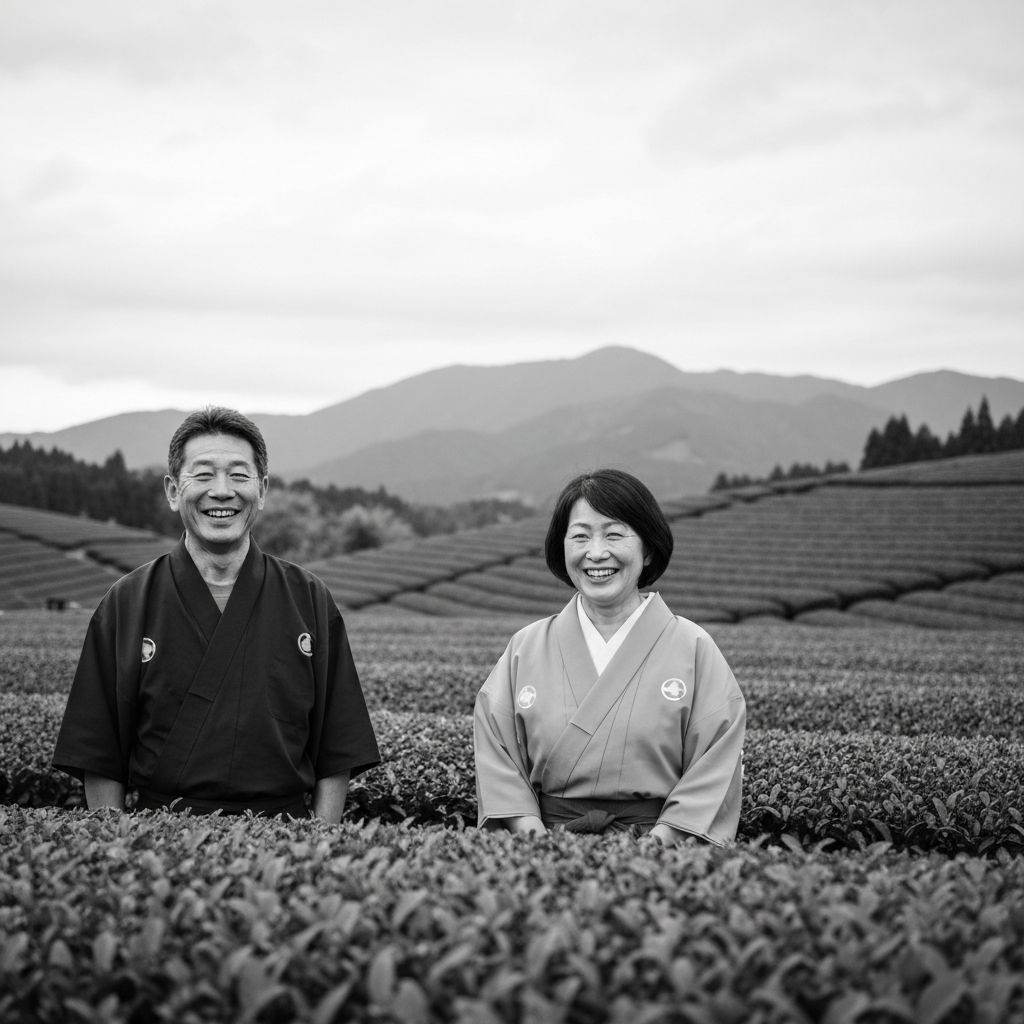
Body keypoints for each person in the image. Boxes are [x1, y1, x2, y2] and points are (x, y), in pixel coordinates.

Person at [52, 406, 379, 821]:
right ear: (173, 490)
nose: (222, 491)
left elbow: (338, 746)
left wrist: (318, 840)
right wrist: (119, 844)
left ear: (262, 489)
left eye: (239, 476)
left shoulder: (309, 598)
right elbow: (99, 752)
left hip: (286, 836)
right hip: (159, 835)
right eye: (203, 474)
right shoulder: (126, 602)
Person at [473, 469, 745, 845]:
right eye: (580, 536)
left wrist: (658, 846)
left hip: (662, 857)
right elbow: (497, 755)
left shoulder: (693, 647)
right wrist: (536, 843)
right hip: (544, 851)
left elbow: (716, 763)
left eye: (614, 534)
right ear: (562, 547)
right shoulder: (526, 646)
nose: (596, 553)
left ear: (648, 549)